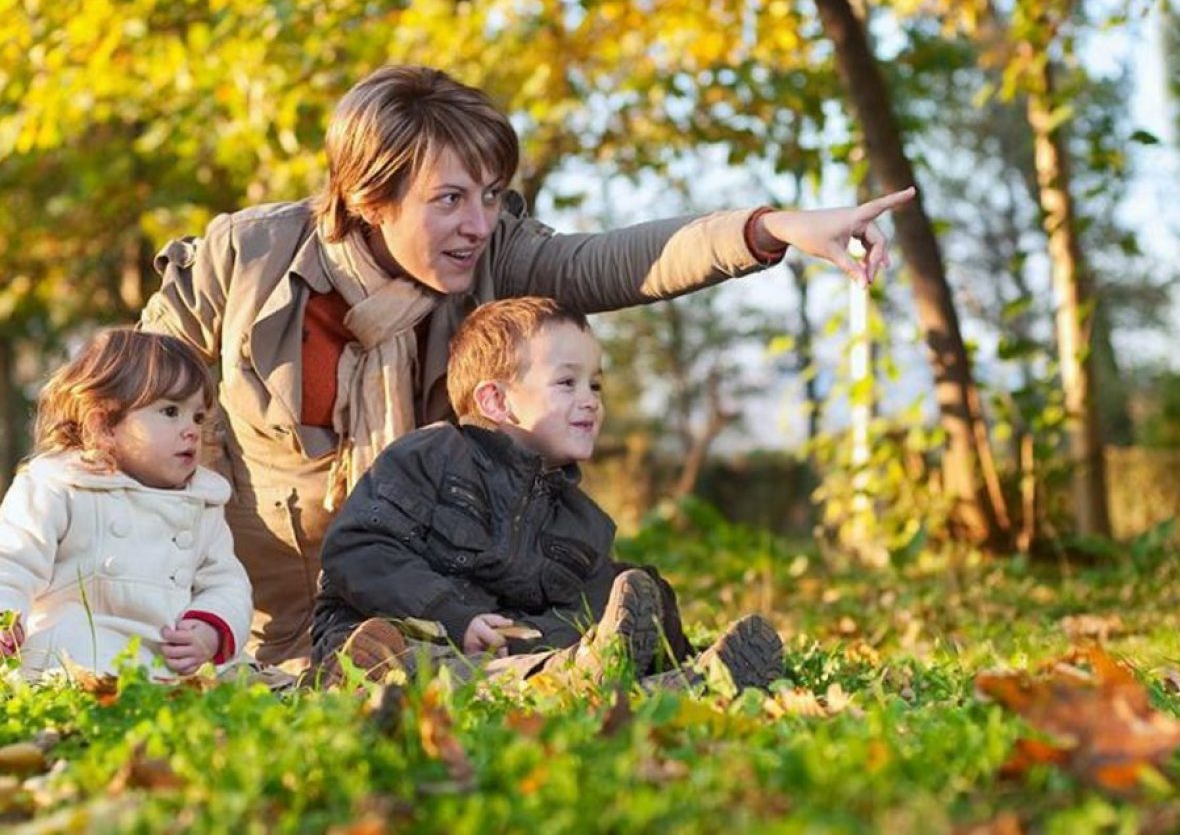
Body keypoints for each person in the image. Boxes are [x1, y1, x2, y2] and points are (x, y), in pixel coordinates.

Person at [139, 63, 913, 670]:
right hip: (253, 619)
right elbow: (120, 412)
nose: (478, 224)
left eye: (490, 194)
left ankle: (633, 663)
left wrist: (766, 227)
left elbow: (616, 260)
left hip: (436, 600)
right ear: (372, 196)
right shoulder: (246, 260)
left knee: (499, 655)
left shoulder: (493, 256)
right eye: (449, 199)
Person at [309, 297, 784, 691]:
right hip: (389, 637)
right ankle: (576, 677)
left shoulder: (581, 520)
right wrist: (451, 613)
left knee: (618, 592)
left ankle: (681, 680)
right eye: (567, 382)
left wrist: (654, 619)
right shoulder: (432, 455)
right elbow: (358, 549)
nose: (591, 399)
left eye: (595, 383)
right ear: (497, 401)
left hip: (508, 650)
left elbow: (601, 612)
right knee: (428, 669)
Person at [0, 330, 252, 678]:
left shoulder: (201, 503)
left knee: (247, 678)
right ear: (104, 426)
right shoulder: (59, 485)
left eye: (197, 416)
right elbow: (11, 562)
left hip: (168, 658)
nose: (191, 430)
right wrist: (5, 617)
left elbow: (226, 583)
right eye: (169, 411)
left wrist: (209, 629)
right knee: (83, 666)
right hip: (76, 653)